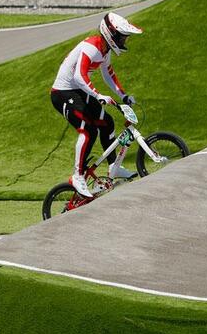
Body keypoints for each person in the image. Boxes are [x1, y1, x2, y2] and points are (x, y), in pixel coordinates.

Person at [50, 12, 143, 197]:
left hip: (78, 91)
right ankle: (77, 176)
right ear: (112, 34)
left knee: (107, 122)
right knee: (87, 130)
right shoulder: (92, 47)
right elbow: (79, 75)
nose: (125, 41)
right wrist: (98, 95)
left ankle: (113, 167)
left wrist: (123, 96)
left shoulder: (104, 49)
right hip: (62, 93)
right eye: (123, 37)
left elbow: (108, 73)